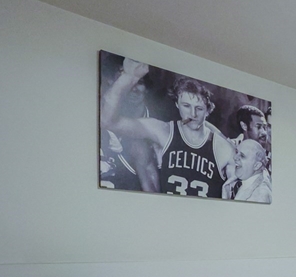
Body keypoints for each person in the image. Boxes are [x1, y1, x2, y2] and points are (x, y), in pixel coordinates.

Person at [101, 58, 235, 198]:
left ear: (208, 110)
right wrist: (129, 77)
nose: (193, 114)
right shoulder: (164, 131)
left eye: (199, 108)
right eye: (186, 106)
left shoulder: (223, 148)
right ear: (177, 104)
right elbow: (107, 121)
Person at [99, 59, 158, 192]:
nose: (134, 88)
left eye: (140, 83)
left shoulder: (160, 121)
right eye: (128, 84)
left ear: (147, 89)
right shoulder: (99, 115)